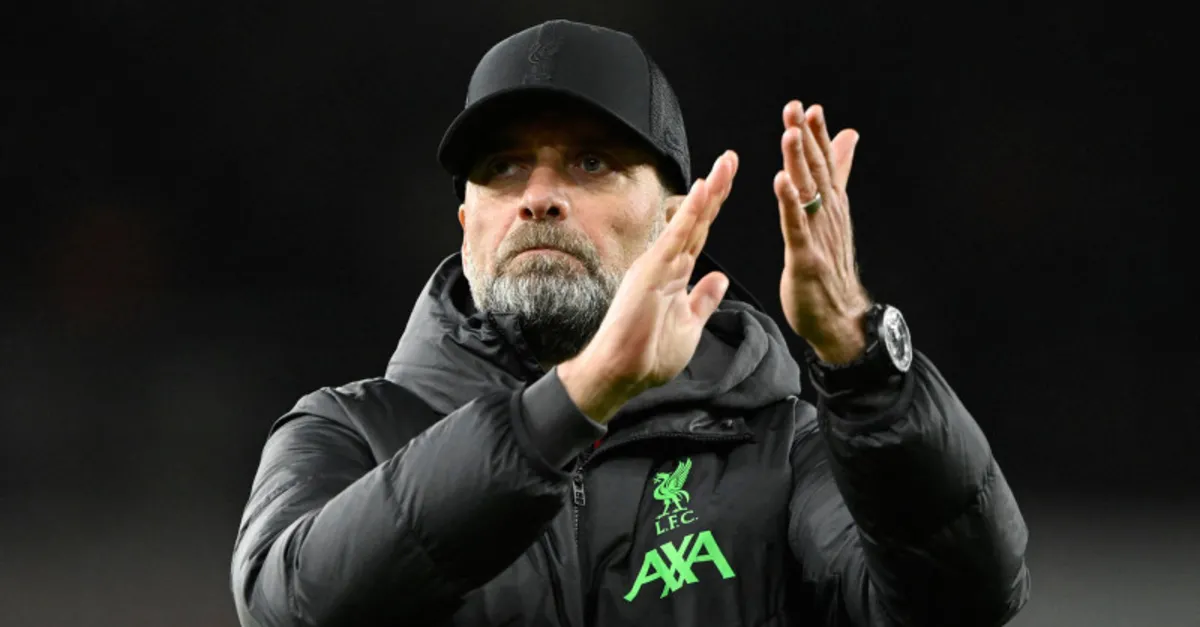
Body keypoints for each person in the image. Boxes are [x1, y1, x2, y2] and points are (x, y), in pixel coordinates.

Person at [230, 19, 1030, 627]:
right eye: (503, 167)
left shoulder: (787, 454)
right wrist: (574, 400)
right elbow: (291, 607)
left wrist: (861, 359)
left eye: (591, 162)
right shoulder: (347, 433)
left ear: (676, 216)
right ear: (467, 220)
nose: (539, 196)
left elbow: (959, 602)